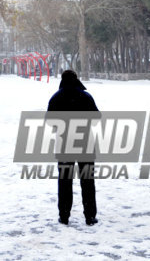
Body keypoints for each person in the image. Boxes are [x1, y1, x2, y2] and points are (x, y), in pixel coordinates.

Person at [47, 69, 99, 226]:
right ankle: (90, 216)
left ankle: (64, 216)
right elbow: (96, 118)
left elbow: (50, 121)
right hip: (85, 143)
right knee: (87, 181)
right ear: (76, 79)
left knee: (64, 181)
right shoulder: (86, 96)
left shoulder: (56, 97)